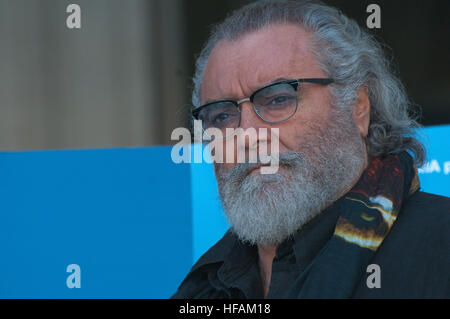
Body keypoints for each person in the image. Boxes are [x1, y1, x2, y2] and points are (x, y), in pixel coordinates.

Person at [172, 0, 450, 298]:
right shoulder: (203, 287)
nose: (247, 136)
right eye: (222, 115)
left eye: (278, 99)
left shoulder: (440, 248)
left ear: (358, 107)